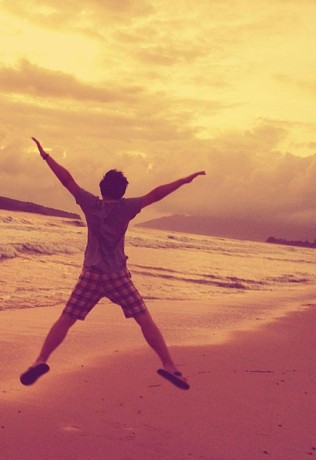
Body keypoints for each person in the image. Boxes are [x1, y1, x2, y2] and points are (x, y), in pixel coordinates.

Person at [20, 137, 205, 390]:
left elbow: (67, 180)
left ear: (101, 187)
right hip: (117, 275)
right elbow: (156, 194)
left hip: (91, 274)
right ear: (122, 192)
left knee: (66, 319)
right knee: (144, 318)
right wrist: (183, 181)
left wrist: (46, 156)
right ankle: (169, 365)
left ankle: (40, 360)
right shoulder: (127, 208)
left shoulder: (90, 203)